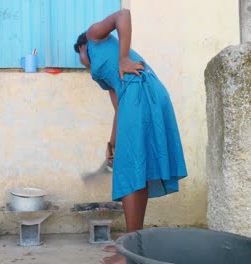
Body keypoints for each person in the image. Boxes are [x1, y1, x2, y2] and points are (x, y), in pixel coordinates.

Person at [74, 9, 188, 264]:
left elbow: (123, 15)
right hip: (141, 97)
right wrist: (111, 143)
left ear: (82, 47)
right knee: (137, 169)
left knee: (130, 170)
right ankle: (132, 245)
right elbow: (118, 109)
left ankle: (129, 254)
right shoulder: (102, 77)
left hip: (141, 91)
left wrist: (124, 57)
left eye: (79, 55)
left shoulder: (94, 36)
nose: (81, 61)